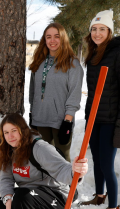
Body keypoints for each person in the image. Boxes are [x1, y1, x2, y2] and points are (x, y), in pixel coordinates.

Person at [79, 10, 120, 209]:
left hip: (111, 120)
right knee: (96, 159)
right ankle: (100, 195)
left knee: (106, 164)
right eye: (94, 29)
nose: (97, 33)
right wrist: (87, 116)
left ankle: (113, 207)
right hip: (94, 118)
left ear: (109, 31)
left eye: (102, 29)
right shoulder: (94, 53)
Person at [29, 22, 83, 162]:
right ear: (44, 40)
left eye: (56, 36)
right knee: (42, 160)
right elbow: (33, 91)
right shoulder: (39, 62)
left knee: (61, 160)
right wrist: (32, 114)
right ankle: (46, 185)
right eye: (48, 37)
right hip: (40, 119)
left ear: (63, 38)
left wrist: (68, 121)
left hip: (61, 121)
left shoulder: (72, 64)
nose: (52, 40)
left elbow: (74, 94)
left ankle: (69, 185)